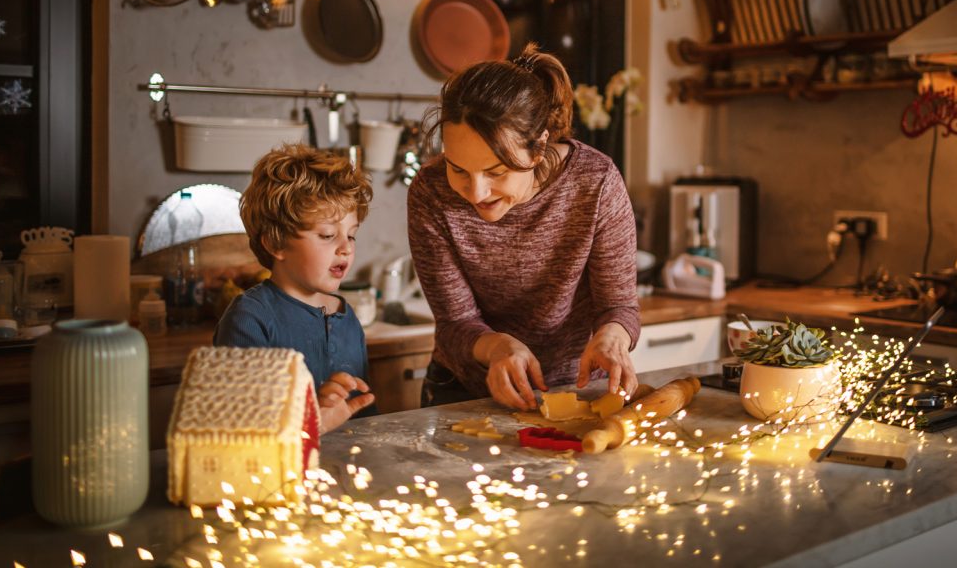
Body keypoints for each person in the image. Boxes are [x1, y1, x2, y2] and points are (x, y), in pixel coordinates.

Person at [408, 43, 640, 411]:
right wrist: (500, 346)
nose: (476, 191)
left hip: (575, 391)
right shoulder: (431, 191)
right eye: (458, 169)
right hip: (466, 391)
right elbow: (455, 322)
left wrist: (613, 337)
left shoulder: (595, 183)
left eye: (496, 171)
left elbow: (619, 305)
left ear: (538, 149)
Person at [215, 143, 376, 432]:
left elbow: (366, 415)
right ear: (276, 243)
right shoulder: (250, 319)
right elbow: (240, 429)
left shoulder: (347, 317)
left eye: (351, 236)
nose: (345, 249)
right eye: (327, 235)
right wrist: (311, 417)